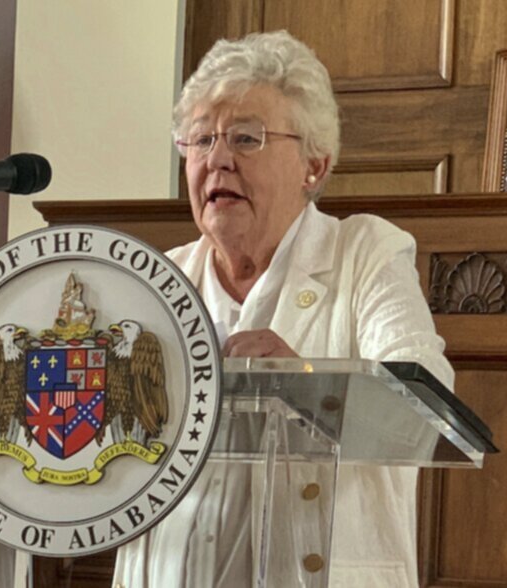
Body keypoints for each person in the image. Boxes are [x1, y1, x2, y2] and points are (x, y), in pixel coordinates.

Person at [113, 30, 454, 588]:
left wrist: (304, 382)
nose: (217, 159)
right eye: (200, 140)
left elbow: (427, 410)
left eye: (246, 138)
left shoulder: (366, 255)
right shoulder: (157, 279)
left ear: (313, 167)